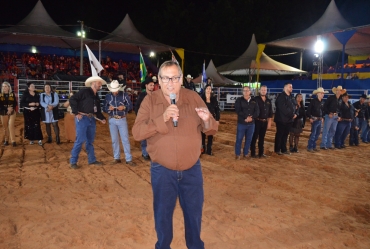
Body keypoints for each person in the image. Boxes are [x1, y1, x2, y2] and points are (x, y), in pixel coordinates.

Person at [132, 60, 218, 249]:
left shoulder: (194, 97)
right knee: (163, 214)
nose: (171, 82)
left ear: (181, 80)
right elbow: (137, 133)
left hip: (192, 169)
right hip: (162, 170)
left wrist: (206, 120)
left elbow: (212, 129)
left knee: (194, 213)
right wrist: (162, 118)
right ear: (159, 81)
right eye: (166, 78)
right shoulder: (150, 100)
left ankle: (195, 246)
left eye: (175, 78)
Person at [69, 76, 107, 169]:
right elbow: (72, 99)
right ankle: (73, 161)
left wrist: (102, 118)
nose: (100, 85)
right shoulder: (84, 92)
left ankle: (92, 160)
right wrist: (76, 112)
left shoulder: (96, 96)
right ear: (93, 83)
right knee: (80, 140)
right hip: (82, 118)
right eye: (99, 83)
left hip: (91, 118)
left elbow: (97, 110)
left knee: (89, 140)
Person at [104, 80, 136, 166]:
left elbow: (130, 106)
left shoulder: (124, 95)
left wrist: (124, 107)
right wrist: (108, 109)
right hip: (113, 119)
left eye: (116, 90)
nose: (115, 92)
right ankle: (117, 157)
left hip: (121, 119)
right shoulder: (107, 97)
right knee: (115, 140)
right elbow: (104, 107)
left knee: (125, 139)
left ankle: (128, 158)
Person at [234, 86, 260, 159]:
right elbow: (238, 110)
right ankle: (238, 154)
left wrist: (251, 118)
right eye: (244, 91)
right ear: (242, 92)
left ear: (250, 92)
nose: (246, 92)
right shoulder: (239, 100)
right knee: (239, 139)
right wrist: (246, 117)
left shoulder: (254, 101)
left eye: (247, 90)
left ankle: (246, 153)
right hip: (242, 123)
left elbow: (257, 111)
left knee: (249, 139)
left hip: (251, 124)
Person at [134, 80, 155, 161]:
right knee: (144, 137)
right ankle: (145, 153)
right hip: (144, 119)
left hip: (152, 119)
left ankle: (150, 153)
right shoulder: (142, 95)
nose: (152, 87)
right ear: (146, 85)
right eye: (151, 85)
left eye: (153, 85)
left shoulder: (155, 95)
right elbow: (137, 107)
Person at [320, 86, 346, 150]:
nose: (338, 91)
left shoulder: (340, 100)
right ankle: (323, 144)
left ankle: (329, 144)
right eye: (337, 90)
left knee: (333, 130)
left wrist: (339, 116)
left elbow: (341, 109)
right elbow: (325, 107)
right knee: (326, 130)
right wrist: (329, 113)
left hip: (336, 116)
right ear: (336, 91)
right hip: (330, 115)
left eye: (340, 90)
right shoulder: (331, 98)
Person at [274, 83, 296, 155]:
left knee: (285, 135)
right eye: (290, 87)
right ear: (285, 88)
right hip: (281, 120)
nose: (291, 88)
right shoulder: (281, 96)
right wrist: (292, 114)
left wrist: (296, 113)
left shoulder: (291, 97)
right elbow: (283, 108)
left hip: (289, 120)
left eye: (291, 87)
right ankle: (277, 149)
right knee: (280, 134)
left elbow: (295, 106)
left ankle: (283, 149)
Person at [250, 85, 272, 158]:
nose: (263, 91)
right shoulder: (255, 99)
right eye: (262, 90)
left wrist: (269, 122)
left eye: (265, 90)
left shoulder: (268, 101)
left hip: (265, 122)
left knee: (262, 138)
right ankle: (253, 153)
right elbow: (251, 110)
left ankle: (261, 153)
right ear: (259, 90)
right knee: (254, 137)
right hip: (257, 121)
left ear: (266, 91)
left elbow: (270, 113)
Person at [201, 84, 220, 155]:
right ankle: (202, 149)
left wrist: (217, 119)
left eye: (210, 89)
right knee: (202, 135)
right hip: (203, 119)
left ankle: (209, 150)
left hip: (211, 119)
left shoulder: (214, 99)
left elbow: (217, 109)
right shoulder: (201, 98)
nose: (209, 90)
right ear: (205, 89)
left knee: (210, 135)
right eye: (207, 88)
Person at [306, 87, 327, 152]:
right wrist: (310, 117)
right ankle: (310, 147)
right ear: (317, 94)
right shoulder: (313, 101)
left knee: (317, 133)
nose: (323, 94)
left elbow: (323, 111)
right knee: (314, 133)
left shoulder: (322, 102)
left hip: (319, 119)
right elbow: (308, 110)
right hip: (314, 119)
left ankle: (313, 146)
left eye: (323, 93)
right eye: (321, 93)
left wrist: (323, 117)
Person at [0, 82, 17, 146]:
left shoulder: (12, 94)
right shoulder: (0, 94)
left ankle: (13, 141)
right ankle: (6, 140)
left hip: (12, 112)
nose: (4, 88)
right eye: (3, 86)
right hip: (3, 113)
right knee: (5, 127)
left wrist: (11, 108)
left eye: (6, 86)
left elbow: (15, 103)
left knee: (10, 125)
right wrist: (7, 109)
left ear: (9, 87)